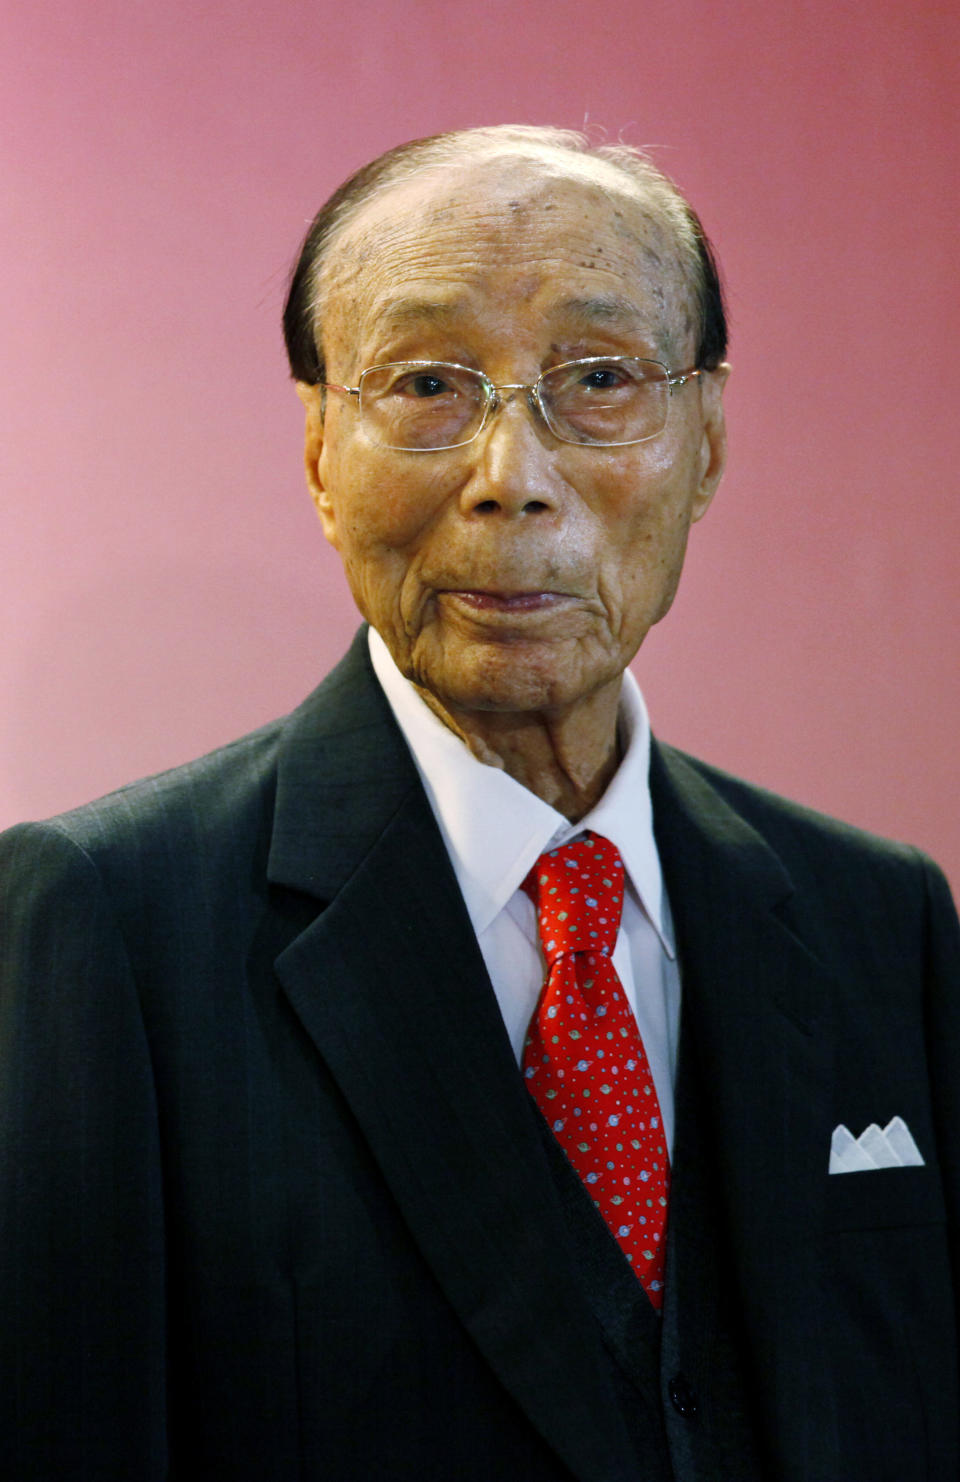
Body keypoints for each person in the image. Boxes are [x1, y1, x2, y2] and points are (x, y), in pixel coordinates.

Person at [1, 125, 958, 1482]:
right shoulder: (107, 925)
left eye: (601, 377)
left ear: (708, 438)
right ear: (321, 450)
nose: (511, 472)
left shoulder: (883, 921)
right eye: (431, 383)